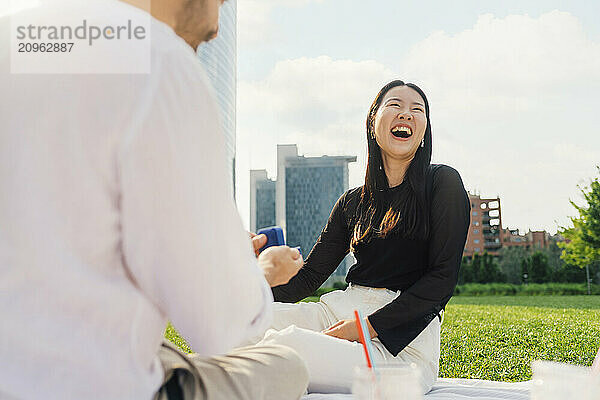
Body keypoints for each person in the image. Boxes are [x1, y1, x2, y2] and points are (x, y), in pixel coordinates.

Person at [0, 0, 308, 399]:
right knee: (286, 366)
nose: (218, 21)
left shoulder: (18, 37)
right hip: (94, 385)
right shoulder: (158, 59)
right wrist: (260, 271)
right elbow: (216, 325)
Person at [251, 80, 471, 394]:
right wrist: (255, 270)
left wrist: (366, 328)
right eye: (395, 105)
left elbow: (442, 279)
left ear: (425, 131)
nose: (406, 114)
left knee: (286, 345)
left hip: (401, 345)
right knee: (238, 321)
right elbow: (308, 277)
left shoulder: (442, 183)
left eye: (416, 109)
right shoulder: (352, 202)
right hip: (337, 311)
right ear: (372, 121)